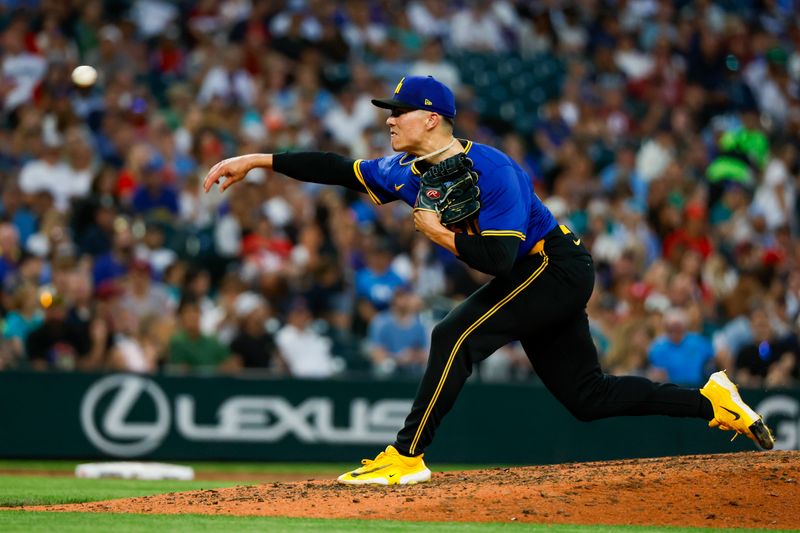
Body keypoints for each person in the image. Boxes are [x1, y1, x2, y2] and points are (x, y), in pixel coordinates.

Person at [203, 75, 775, 486]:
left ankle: (407, 456)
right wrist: (257, 160)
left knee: (453, 335)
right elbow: (336, 168)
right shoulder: (403, 170)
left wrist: (436, 233)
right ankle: (711, 402)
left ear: (431, 117)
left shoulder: (493, 168)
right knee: (587, 398)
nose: (388, 118)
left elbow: (500, 262)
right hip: (537, 273)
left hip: (554, 264)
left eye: (398, 110)